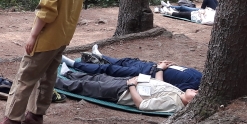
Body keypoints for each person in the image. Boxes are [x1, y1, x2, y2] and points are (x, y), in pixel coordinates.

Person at [54, 65, 197, 112]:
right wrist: (159, 69)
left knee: (86, 86)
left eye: (196, 95)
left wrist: (131, 86)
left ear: (192, 103)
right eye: (197, 90)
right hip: (131, 82)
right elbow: (162, 83)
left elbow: (142, 105)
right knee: (98, 77)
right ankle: (68, 73)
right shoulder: (180, 93)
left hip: (123, 92)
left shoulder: (173, 103)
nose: (195, 90)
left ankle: (52, 82)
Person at [61, 45, 202, 91]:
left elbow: (165, 87)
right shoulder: (200, 75)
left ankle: (73, 64)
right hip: (150, 66)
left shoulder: (194, 86)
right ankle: (99, 56)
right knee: (126, 61)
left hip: (146, 77)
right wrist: (170, 64)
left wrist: (160, 69)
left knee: (111, 70)